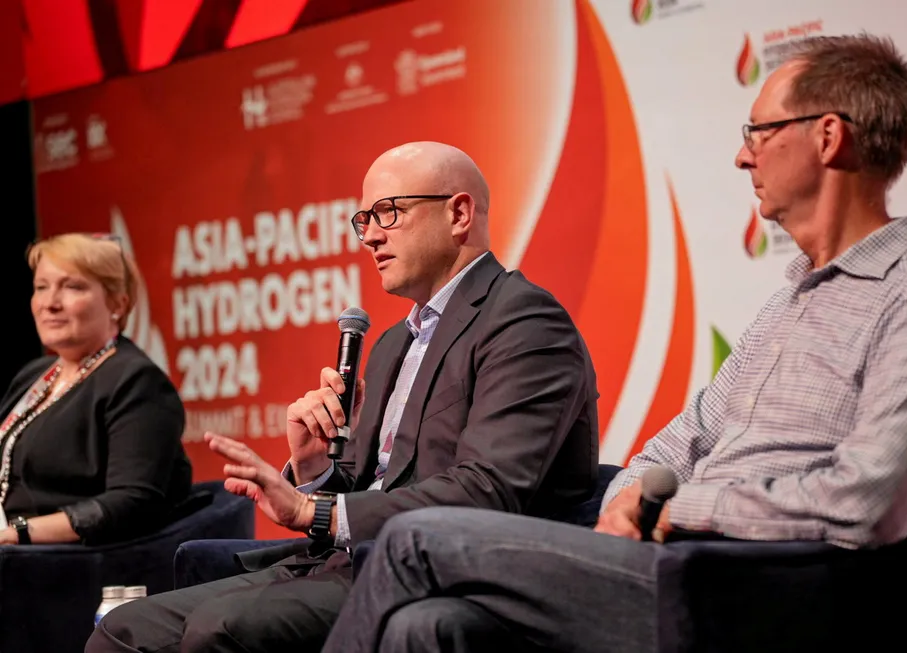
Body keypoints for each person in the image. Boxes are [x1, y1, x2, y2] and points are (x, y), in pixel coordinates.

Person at [318, 34, 907, 653]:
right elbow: (679, 441)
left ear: (829, 137)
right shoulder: (787, 303)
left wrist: (673, 506)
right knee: (428, 624)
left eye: (760, 131)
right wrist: (627, 499)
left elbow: (868, 503)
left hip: (769, 590)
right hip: (680, 564)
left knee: (413, 537)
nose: (743, 154)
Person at [87, 141, 599, 652]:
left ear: (458, 213)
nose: (370, 236)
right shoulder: (394, 342)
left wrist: (318, 513)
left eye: (388, 213)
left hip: (443, 576)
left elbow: (488, 492)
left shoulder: (525, 323)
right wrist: (314, 471)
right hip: (345, 564)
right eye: (364, 220)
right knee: (122, 629)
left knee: (220, 630)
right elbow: (368, 482)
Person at [0, 233, 191, 546]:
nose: (50, 303)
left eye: (72, 286)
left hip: (70, 562)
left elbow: (132, 501)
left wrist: (19, 532)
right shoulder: (34, 375)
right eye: (41, 287)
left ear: (118, 302)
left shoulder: (136, 381)